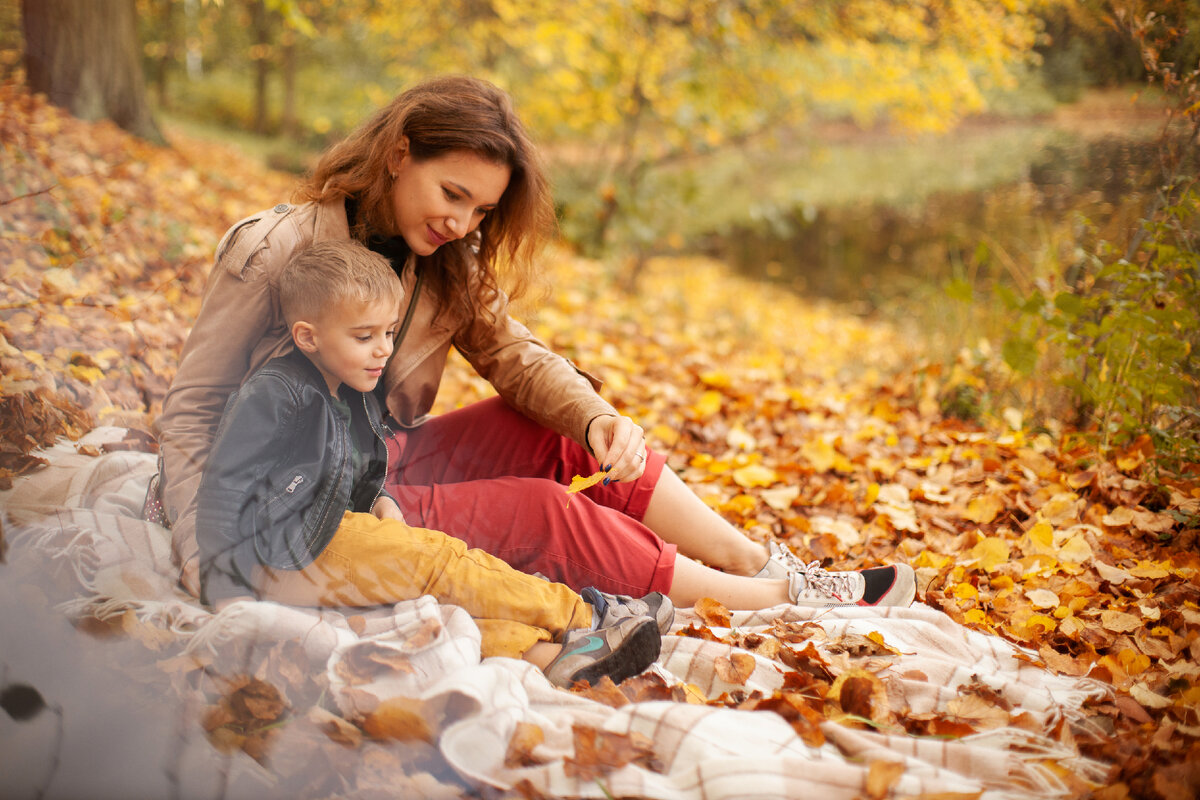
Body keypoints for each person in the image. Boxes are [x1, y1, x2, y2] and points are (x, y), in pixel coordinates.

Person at [155, 74, 914, 617]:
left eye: (480, 210)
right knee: (543, 512)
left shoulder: (445, 259)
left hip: (379, 456)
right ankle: (769, 601)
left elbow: (516, 357)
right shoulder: (278, 248)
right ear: (398, 153)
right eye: (452, 194)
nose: (461, 223)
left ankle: (754, 560)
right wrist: (206, 561)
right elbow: (191, 413)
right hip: (306, 493)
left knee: (558, 431)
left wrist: (595, 420)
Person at [195, 239, 670, 689]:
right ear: (307, 337)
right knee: (440, 562)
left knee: (429, 612)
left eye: (388, 332)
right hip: (286, 547)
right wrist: (222, 582)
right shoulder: (275, 393)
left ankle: (557, 655)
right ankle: (588, 615)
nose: (383, 349)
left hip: (327, 536)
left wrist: (379, 499)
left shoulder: (355, 392)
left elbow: (357, 467)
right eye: (364, 336)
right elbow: (224, 488)